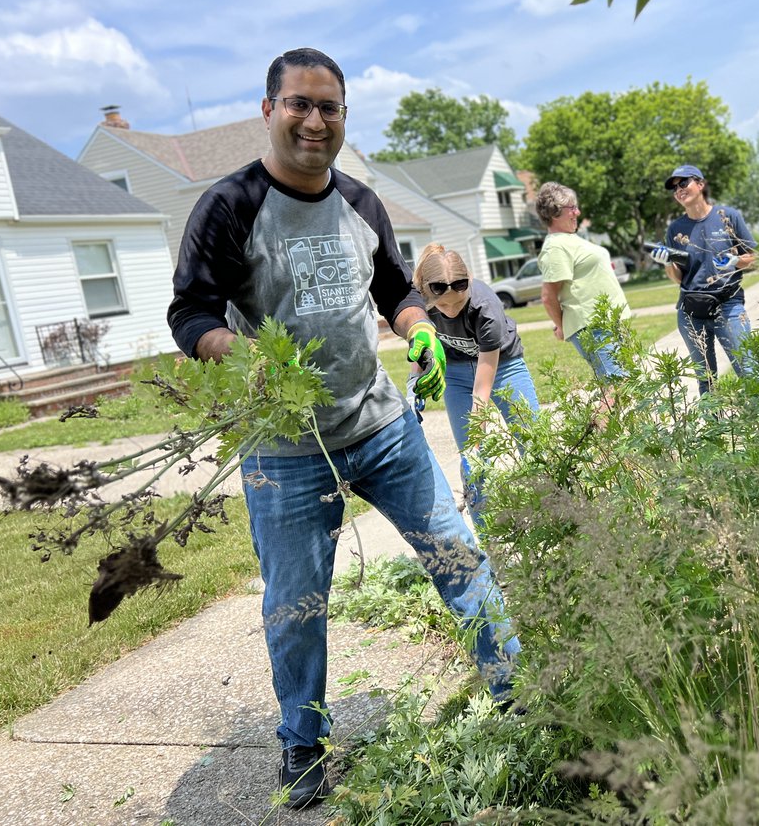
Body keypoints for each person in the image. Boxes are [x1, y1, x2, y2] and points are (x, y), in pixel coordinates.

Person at [167, 48, 520, 810]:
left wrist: (420, 328)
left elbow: (395, 287)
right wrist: (241, 352)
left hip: (382, 425)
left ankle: (517, 688)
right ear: (269, 110)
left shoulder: (361, 200)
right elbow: (189, 310)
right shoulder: (229, 207)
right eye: (300, 104)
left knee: (458, 557)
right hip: (287, 449)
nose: (315, 120)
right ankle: (302, 740)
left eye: (330, 107)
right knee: (296, 606)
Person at [411, 242, 539, 529]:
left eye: (459, 302)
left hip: (503, 366)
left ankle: (553, 510)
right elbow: (419, 344)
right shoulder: (419, 300)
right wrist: (414, 380)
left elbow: (483, 385)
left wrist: (476, 437)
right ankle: (489, 532)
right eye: (442, 306)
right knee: (473, 460)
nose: (452, 310)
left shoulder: (486, 306)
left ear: (468, 284)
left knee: (533, 441)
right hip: (456, 372)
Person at [649, 165, 757, 395]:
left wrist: (735, 262)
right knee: (706, 380)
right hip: (691, 312)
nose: (679, 190)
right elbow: (678, 278)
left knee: (749, 370)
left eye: (683, 183)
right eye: (674, 188)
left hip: (728, 306)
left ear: (700, 184)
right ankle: (715, 429)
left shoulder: (727, 216)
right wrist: (667, 263)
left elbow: (751, 257)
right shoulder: (676, 229)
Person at [536, 182, 632, 393]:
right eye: (572, 207)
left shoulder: (570, 239)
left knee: (622, 388)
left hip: (609, 321)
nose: (577, 212)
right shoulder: (555, 247)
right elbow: (548, 296)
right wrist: (563, 326)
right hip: (593, 325)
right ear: (554, 212)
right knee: (616, 387)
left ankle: (605, 427)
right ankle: (595, 427)